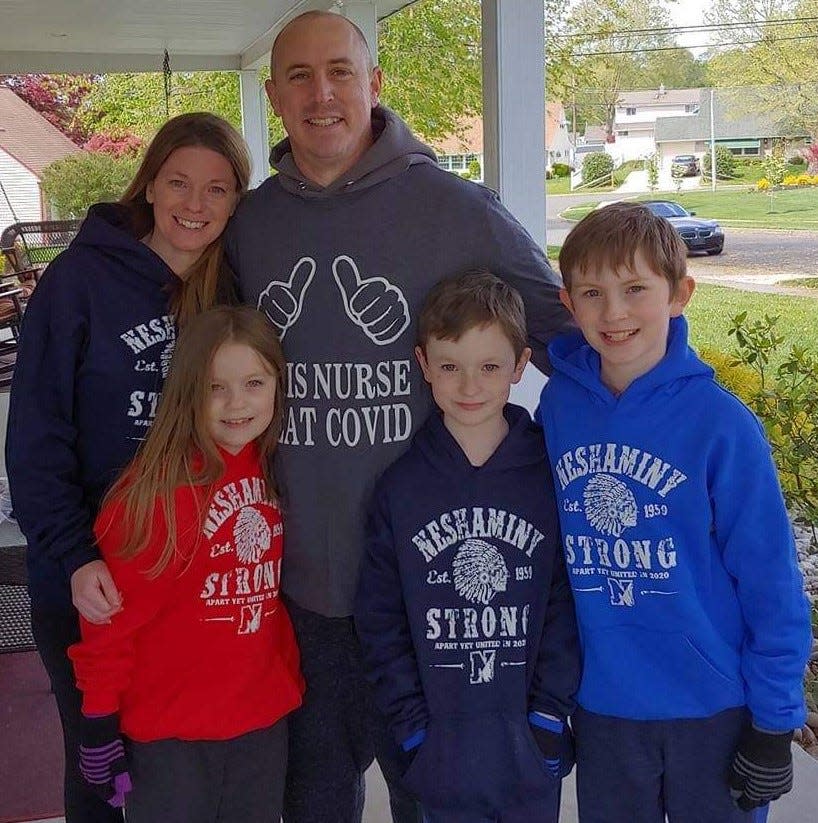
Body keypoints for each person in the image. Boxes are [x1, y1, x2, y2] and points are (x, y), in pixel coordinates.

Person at [225, 11, 574, 821]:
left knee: (426, 796)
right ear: (274, 95)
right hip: (301, 587)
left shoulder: (455, 209)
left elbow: (566, 340)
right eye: (301, 77)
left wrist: (663, 421)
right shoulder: (250, 226)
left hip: (431, 589)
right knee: (315, 797)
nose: (323, 94)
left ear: (375, 83)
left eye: (341, 71)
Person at [6, 112, 250, 823]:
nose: (195, 204)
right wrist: (75, 557)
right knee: (99, 772)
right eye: (179, 182)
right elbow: (35, 442)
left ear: (238, 201)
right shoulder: (78, 282)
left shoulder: (231, 291)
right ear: (150, 184)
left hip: (190, 584)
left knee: (177, 770)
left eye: (217, 188)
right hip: (92, 585)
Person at [536, 202, 812, 822]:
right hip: (606, 706)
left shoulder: (721, 426)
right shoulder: (559, 408)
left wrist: (775, 718)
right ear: (568, 302)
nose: (614, 312)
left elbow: (770, 580)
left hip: (712, 707)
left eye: (636, 289)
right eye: (593, 292)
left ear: (679, 294)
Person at [354, 272, 581, 823]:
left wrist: (550, 717)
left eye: (490, 367)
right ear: (423, 363)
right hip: (439, 746)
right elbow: (381, 617)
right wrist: (411, 728)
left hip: (528, 739)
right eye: (450, 366)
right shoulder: (402, 486)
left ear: (521, 365)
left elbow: (566, 600)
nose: (470, 386)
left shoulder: (546, 473)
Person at [67, 305, 303, 821]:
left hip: (259, 725)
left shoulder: (277, 470)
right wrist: (99, 718)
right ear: (188, 391)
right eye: (216, 387)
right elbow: (108, 620)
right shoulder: (152, 498)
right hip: (169, 738)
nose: (237, 403)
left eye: (254, 383)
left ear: (277, 386)